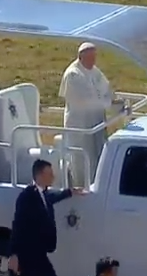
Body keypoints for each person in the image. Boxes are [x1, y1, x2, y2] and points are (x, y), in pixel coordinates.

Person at [8, 159, 87, 276]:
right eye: (49, 174)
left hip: (39, 253)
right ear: (39, 176)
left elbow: (53, 197)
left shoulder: (43, 194)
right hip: (29, 254)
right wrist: (14, 254)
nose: (53, 177)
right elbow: (18, 225)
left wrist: (70, 192)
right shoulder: (27, 197)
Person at [59, 42, 121, 186]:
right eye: (90, 57)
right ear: (81, 57)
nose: (93, 61)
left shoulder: (94, 71)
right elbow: (86, 100)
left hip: (96, 121)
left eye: (94, 57)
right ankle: (81, 185)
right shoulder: (73, 75)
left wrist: (113, 99)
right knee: (82, 159)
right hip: (80, 125)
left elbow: (106, 87)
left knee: (97, 155)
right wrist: (108, 103)